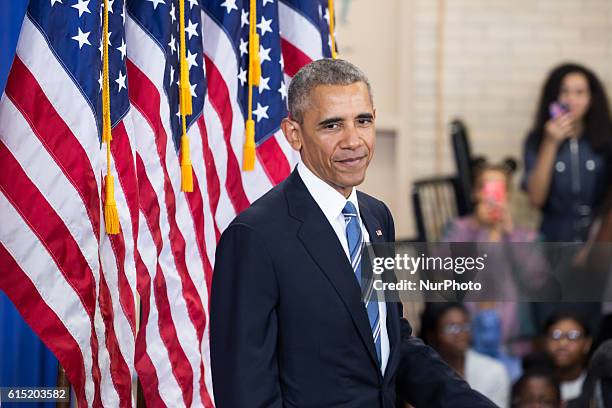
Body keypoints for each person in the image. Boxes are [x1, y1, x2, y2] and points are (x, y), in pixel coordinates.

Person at [210, 59, 495, 407]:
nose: (353, 140)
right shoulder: (254, 237)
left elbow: (393, 345)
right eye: (332, 125)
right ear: (293, 133)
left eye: (363, 121)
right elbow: (246, 393)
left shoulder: (377, 217)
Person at [522, 63, 612, 243]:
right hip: (554, 237)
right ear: (554, 96)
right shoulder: (537, 139)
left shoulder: (605, 139)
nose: (571, 100)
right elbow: (536, 199)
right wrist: (550, 143)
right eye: (565, 92)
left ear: (591, 98)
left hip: (598, 237)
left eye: (580, 93)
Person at [419, 302, 511, 407]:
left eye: (465, 326)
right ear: (432, 335)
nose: (461, 334)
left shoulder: (494, 371)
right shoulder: (421, 373)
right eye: (452, 328)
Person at [543, 311, 593, 402]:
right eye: (555, 336)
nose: (563, 343)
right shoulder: (535, 384)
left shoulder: (597, 384)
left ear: (587, 344)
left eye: (573, 336)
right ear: (545, 342)